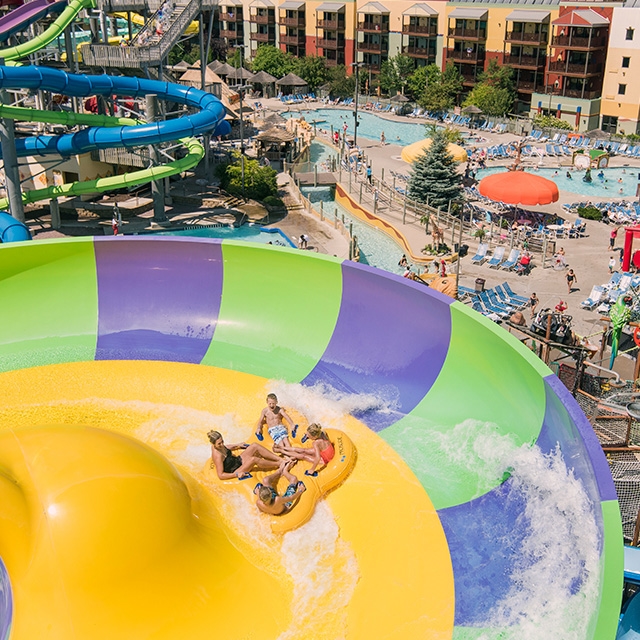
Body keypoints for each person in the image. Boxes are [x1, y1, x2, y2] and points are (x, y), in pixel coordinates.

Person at [208, 430, 284, 480]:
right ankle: (279, 464)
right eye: (219, 444)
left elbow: (225, 447)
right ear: (213, 444)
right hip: (234, 470)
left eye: (222, 441)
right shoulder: (218, 456)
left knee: (254, 445)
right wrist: (237, 474)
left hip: (236, 461)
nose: (222, 444)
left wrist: (238, 445)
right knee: (253, 459)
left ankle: (279, 459)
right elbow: (221, 475)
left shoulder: (219, 446)